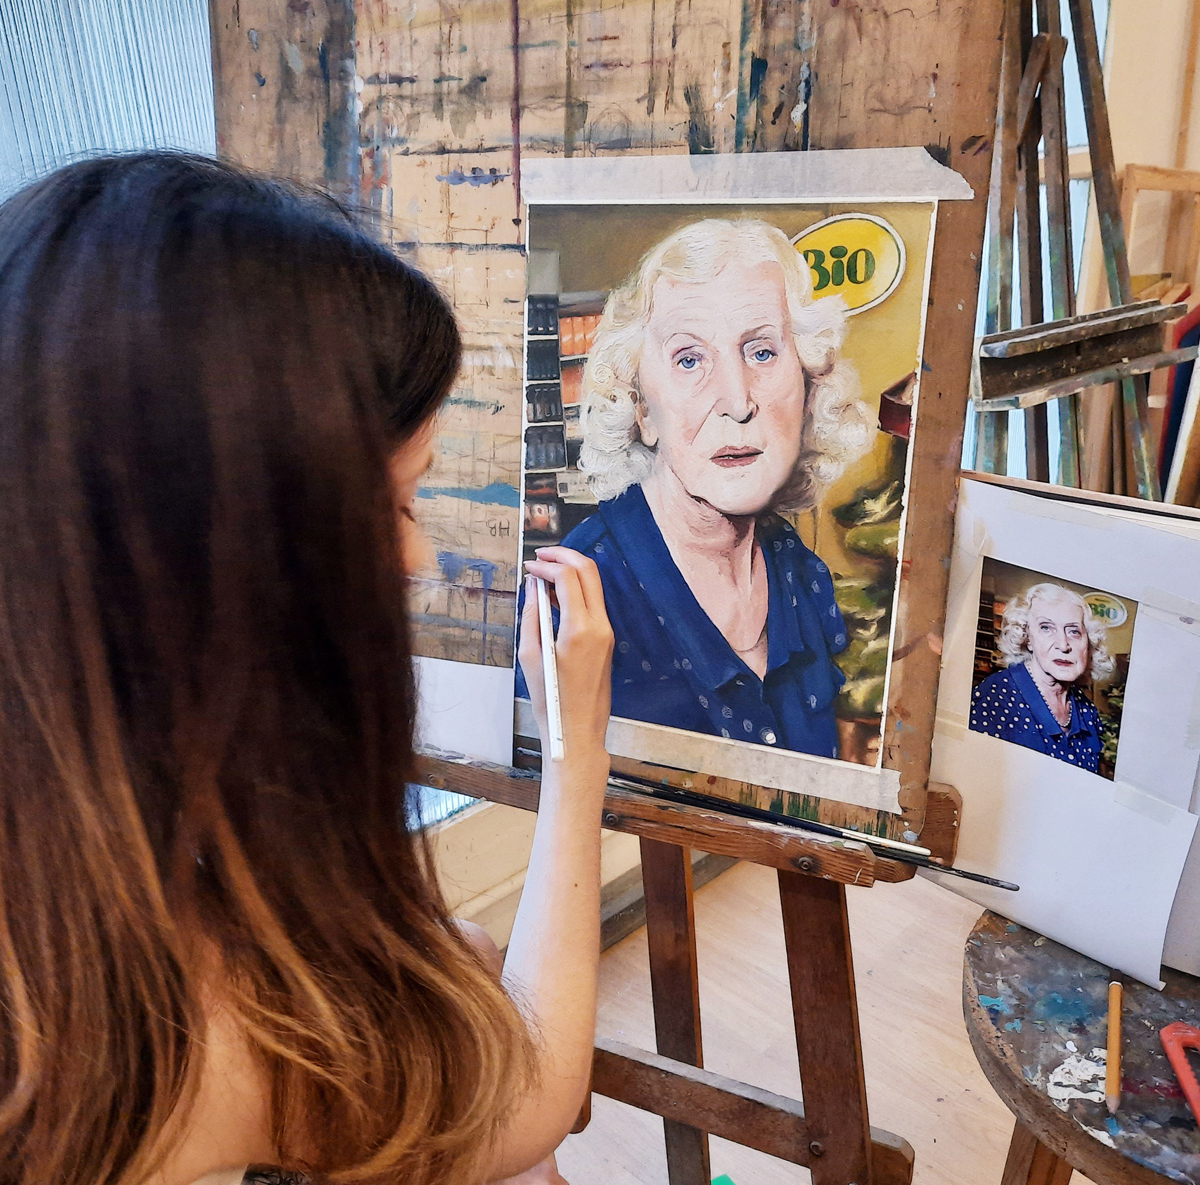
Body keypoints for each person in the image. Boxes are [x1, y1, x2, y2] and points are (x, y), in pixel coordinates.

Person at [0, 153, 613, 1185]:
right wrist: (576, 747)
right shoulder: (159, 1023)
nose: (415, 558)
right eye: (400, 503)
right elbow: (530, 1100)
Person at [566, 218, 873, 759]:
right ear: (641, 408)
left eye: (761, 353)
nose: (737, 400)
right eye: (689, 359)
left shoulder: (804, 575)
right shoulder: (577, 599)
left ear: (807, 387)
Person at [970, 582, 1114, 773]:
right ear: (1027, 638)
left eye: (1074, 631)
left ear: (1087, 643)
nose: (1063, 645)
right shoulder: (994, 697)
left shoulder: (1088, 712)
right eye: (1046, 628)